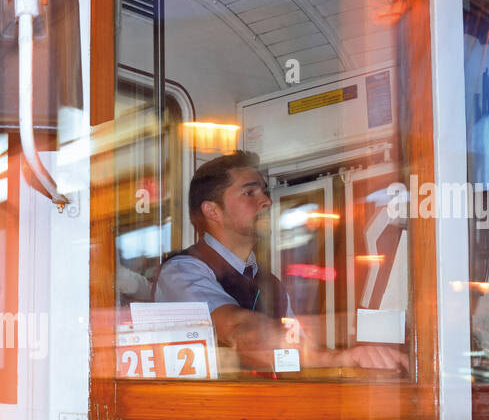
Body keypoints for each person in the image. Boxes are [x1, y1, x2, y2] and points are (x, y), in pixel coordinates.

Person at [154, 151, 406, 372]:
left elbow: (298, 347)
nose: (266, 201)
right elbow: (237, 329)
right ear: (212, 211)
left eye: (264, 191)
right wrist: (338, 357)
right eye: (249, 192)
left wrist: (346, 356)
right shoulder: (181, 272)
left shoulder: (271, 284)